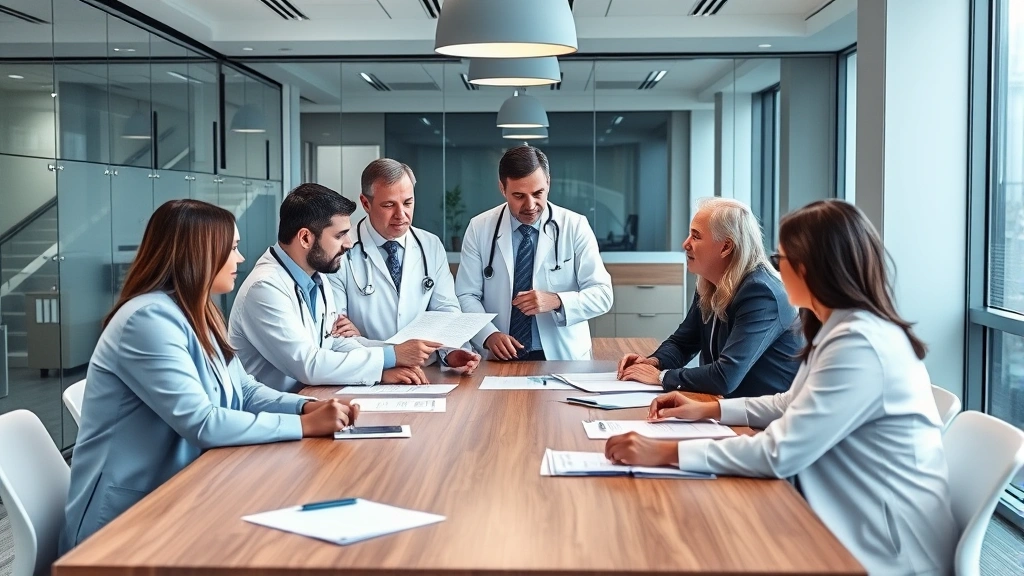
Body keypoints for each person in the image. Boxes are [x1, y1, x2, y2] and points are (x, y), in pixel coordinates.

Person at [604, 199, 957, 575]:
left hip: (882, 545)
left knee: (707, 539)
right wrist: (709, 409)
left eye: (782, 257)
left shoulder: (859, 344)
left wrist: (665, 452)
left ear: (810, 270)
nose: (774, 267)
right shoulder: (842, 328)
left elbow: (779, 453)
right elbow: (791, 402)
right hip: (845, 508)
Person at [59, 200, 358, 552]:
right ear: (198, 253)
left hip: (188, 490)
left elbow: (244, 391)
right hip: (126, 523)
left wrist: (305, 407)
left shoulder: (199, 311)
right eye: (232, 248)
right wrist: (305, 426)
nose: (241, 259)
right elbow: (201, 422)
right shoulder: (148, 319)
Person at [229, 183, 438, 393]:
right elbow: (308, 364)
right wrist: (390, 357)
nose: (348, 244)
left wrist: (390, 359)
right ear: (305, 238)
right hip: (273, 414)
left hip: (314, 399)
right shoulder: (264, 288)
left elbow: (335, 344)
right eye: (340, 235)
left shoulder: (317, 278)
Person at [617, 197, 800, 398]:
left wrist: (662, 377)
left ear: (726, 247)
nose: (685, 243)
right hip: (725, 409)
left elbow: (725, 376)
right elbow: (683, 342)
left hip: (760, 421)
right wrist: (654, 362)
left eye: (696, 236)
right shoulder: (711, 281)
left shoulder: (761, 294)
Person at [455, 145, 613, 361]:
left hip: (562, 356)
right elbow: (466, 294)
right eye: (519, 195)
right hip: (499, 356)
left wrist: (557, 300)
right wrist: (488, 334)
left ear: (548, 182)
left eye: (538, 193)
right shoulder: (480, 227)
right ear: (502, 188)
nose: (530, 205)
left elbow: (603, 294)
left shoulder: (575, 226)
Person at [327, 158, 479, 373]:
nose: (401, 215)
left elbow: (446, 311)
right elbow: (336, 332)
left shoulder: (430, 245)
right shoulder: (340, 249)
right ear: (365, 203)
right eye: (389, 205)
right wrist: (393, 355)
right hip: (366, 372)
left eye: (408, 203)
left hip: (425, 374)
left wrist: (452, 352)